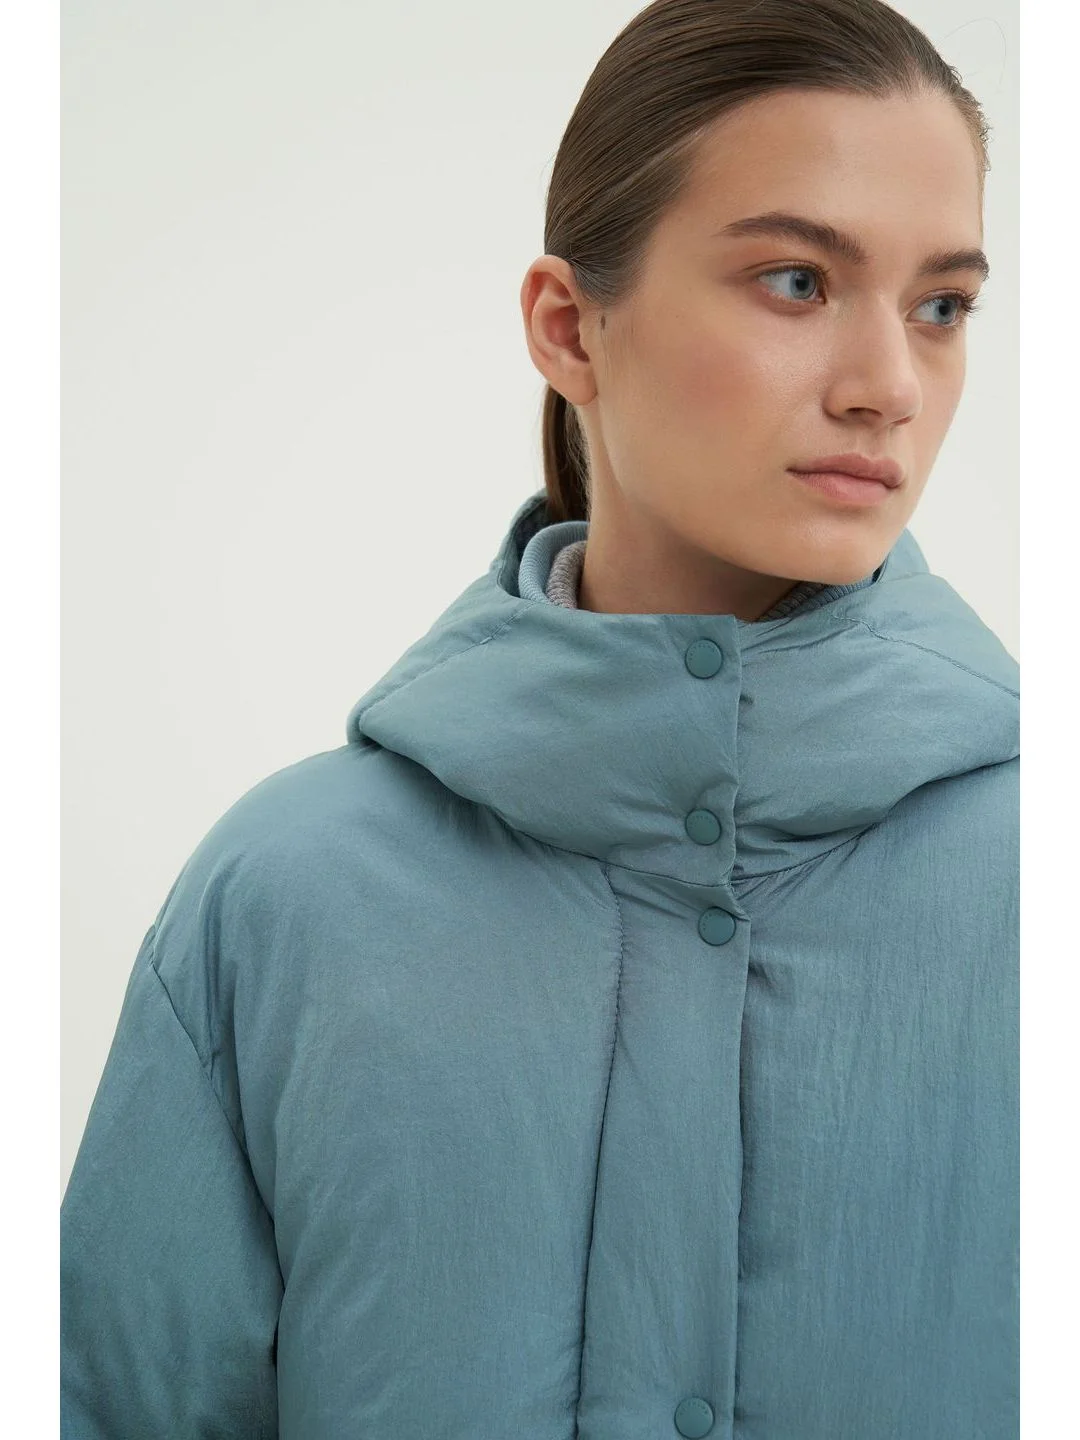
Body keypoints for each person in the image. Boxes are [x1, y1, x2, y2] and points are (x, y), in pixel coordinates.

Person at [60, 1, 1018, 1436]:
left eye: (941, 307)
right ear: (570, 328)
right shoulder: (286, 902)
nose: (888, 387)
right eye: (797, 281)